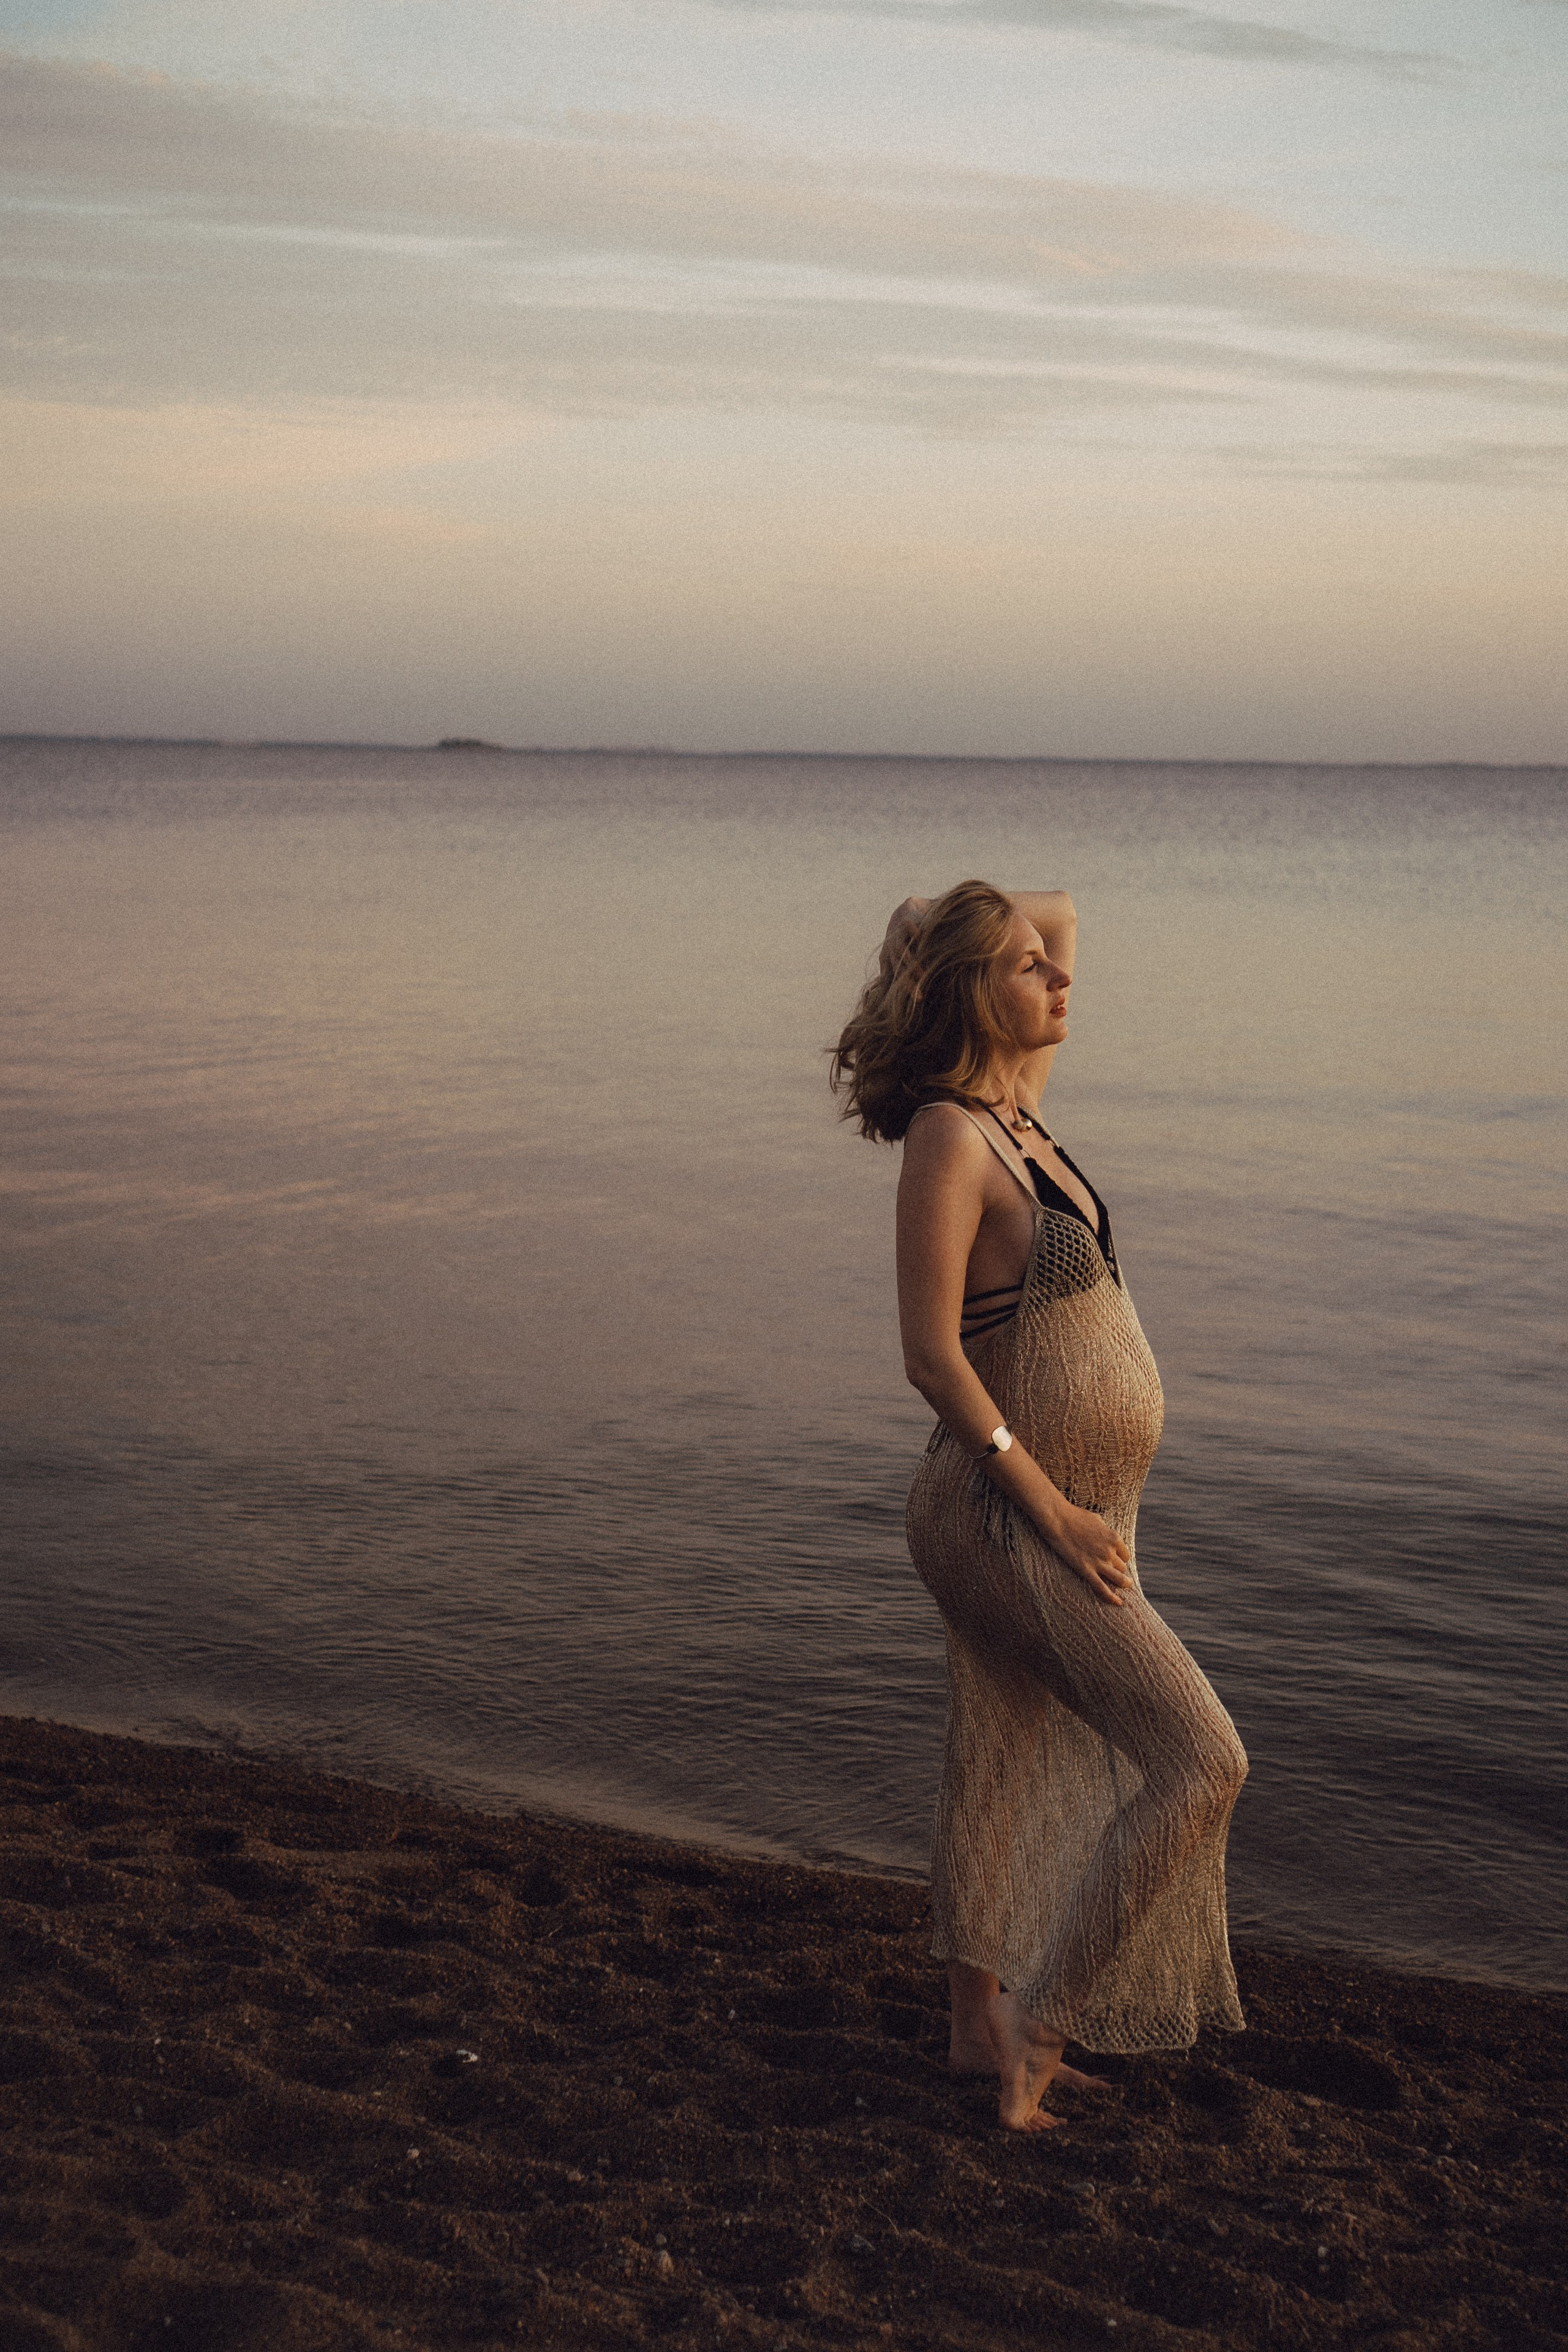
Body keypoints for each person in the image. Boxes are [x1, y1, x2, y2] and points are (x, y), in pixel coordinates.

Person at [831, 880, 1246, 2133]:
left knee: (998, 1753)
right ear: (971, 994)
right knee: (1201, 1761)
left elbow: (1058, 913)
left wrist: (962, 929)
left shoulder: (1019, 1109)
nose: (1059, 981)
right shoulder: (950, 1137)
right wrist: (1052, 1509)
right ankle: (1036, 2026)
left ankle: (971, 2030)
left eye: (1046, 967)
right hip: (1001, 1513)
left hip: (1069, 1506)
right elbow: (928, 1361)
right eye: (1025, 971)